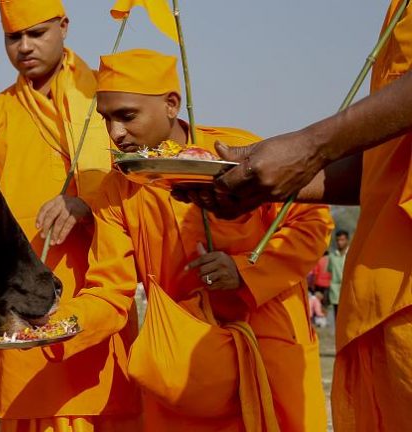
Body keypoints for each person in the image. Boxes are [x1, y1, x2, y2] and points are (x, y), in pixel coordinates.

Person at [51, 48, 332, 431]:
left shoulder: (233, 154)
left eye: (127, 116)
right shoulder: (117, 189)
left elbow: (311, 223)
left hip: (267, 346)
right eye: (106, 118)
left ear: (171, 104)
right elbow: (109, 291)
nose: (115, 133)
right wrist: (56, 325)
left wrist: (246, 268)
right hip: (185, 364)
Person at [174, 2, 411, 429]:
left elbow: (311, 229)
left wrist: (313, 146)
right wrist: (263, 188)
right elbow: (385, 165)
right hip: (380, 295)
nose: (117, 132)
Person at [0, 1, 141, 431]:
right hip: (23, 298)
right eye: (14, 37)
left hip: (96, 290)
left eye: (37, 33)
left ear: (64, 27)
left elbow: (145, 188)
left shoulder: (109, 103)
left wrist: (89, 205)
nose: (25, 46)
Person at [327, 230, 350, 320]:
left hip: (348, 291)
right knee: (338, 318)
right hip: (335, 292)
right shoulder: (332, 257)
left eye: (342, 240)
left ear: (347, 240)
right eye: (338, 240)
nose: (340, 242)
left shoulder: (351, 254)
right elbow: (329, 271)